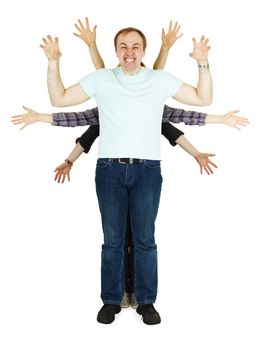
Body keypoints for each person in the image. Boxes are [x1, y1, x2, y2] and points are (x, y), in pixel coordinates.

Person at [15, 19, 242, 325]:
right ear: (116, 52)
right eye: (123, 46)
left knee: (145, 240)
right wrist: (54, 62)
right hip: (109, 170)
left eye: (136, 45)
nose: (130, 51)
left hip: (147, 171)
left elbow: (201, 101)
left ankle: (146, 302)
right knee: (112, 241)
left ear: (144, 50)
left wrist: (202, 63)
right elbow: (60, 101)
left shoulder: (159, 81)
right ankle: (111, 300)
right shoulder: (103, 79)